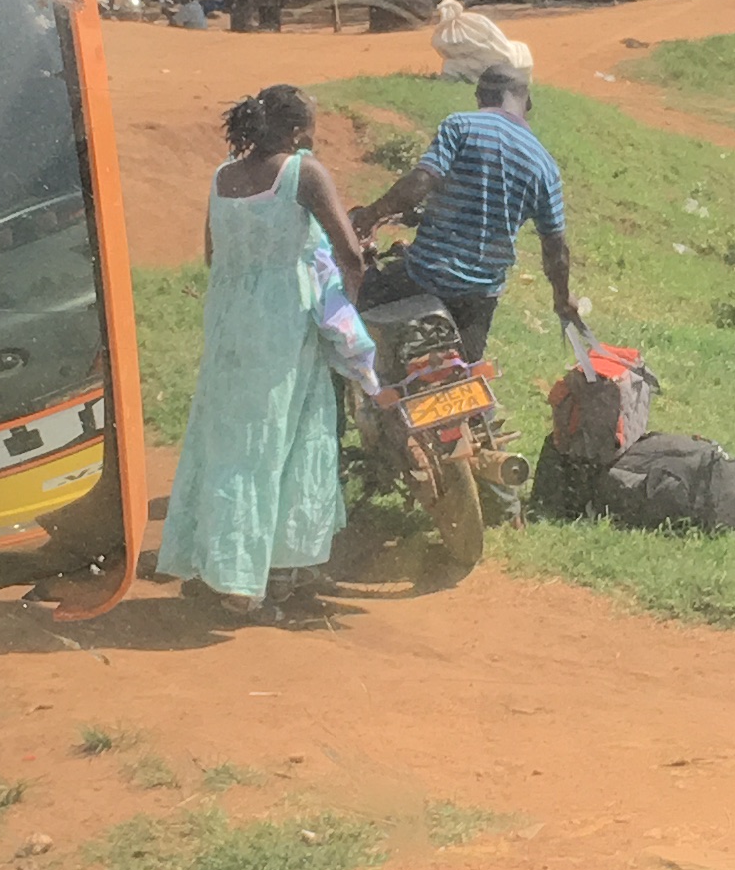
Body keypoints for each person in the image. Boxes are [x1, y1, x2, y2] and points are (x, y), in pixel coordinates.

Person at [173, 84, 376, 622]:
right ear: (293, 132)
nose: (314, 136)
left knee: (228, 441)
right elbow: (350, 253)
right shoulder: (303, 173)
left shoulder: (222, 178)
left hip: (228, 321)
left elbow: (213, 253)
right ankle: (260, 578)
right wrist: (342, 313)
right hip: (284, 322)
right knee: (280, 439)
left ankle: (219, 566)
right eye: (311, 127)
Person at [369, 47, 588, 365]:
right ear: (526, 103)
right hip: (479, 297)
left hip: (425, 278)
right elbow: (556, 248)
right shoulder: (545, 166)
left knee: (356, 303)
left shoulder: (461, 126)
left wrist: (369, 215)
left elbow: (419, 184)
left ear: (480, 97)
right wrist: (561, 297)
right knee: (465, 370)